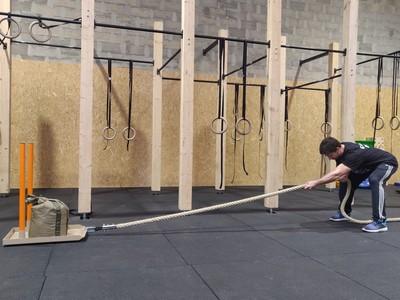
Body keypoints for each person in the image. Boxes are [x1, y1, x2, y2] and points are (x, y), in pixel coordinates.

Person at [304, 137, 398, 233]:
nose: (330, 158)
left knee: (375, 180)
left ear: (337, 149)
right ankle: (345, 212)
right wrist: (346, 174)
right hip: (368, 166)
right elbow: (343, 170)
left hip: (386, 162)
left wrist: (316, 182)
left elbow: (336, 174)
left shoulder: (353, 154)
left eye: (331, 155)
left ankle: (380, 222)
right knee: (346, 181)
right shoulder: (341, 149)